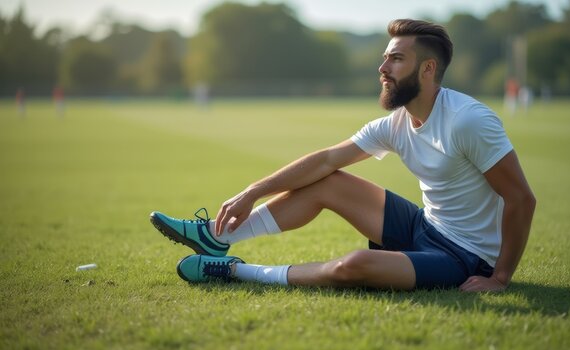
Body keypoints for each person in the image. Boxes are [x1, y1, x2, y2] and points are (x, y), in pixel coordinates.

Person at [150, 19, 536, 292]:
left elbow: (521, 198)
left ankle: (236, 272)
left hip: (464, 257)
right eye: (385, 58)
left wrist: (499, 278)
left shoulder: (468, 121)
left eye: (396, 59)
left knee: (355, 267)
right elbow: (325, 161)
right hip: (423, 226)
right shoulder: (397, 122)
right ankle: (218, 237)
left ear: (428, 69)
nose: (382, 68)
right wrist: (253, 190)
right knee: (328, 182)